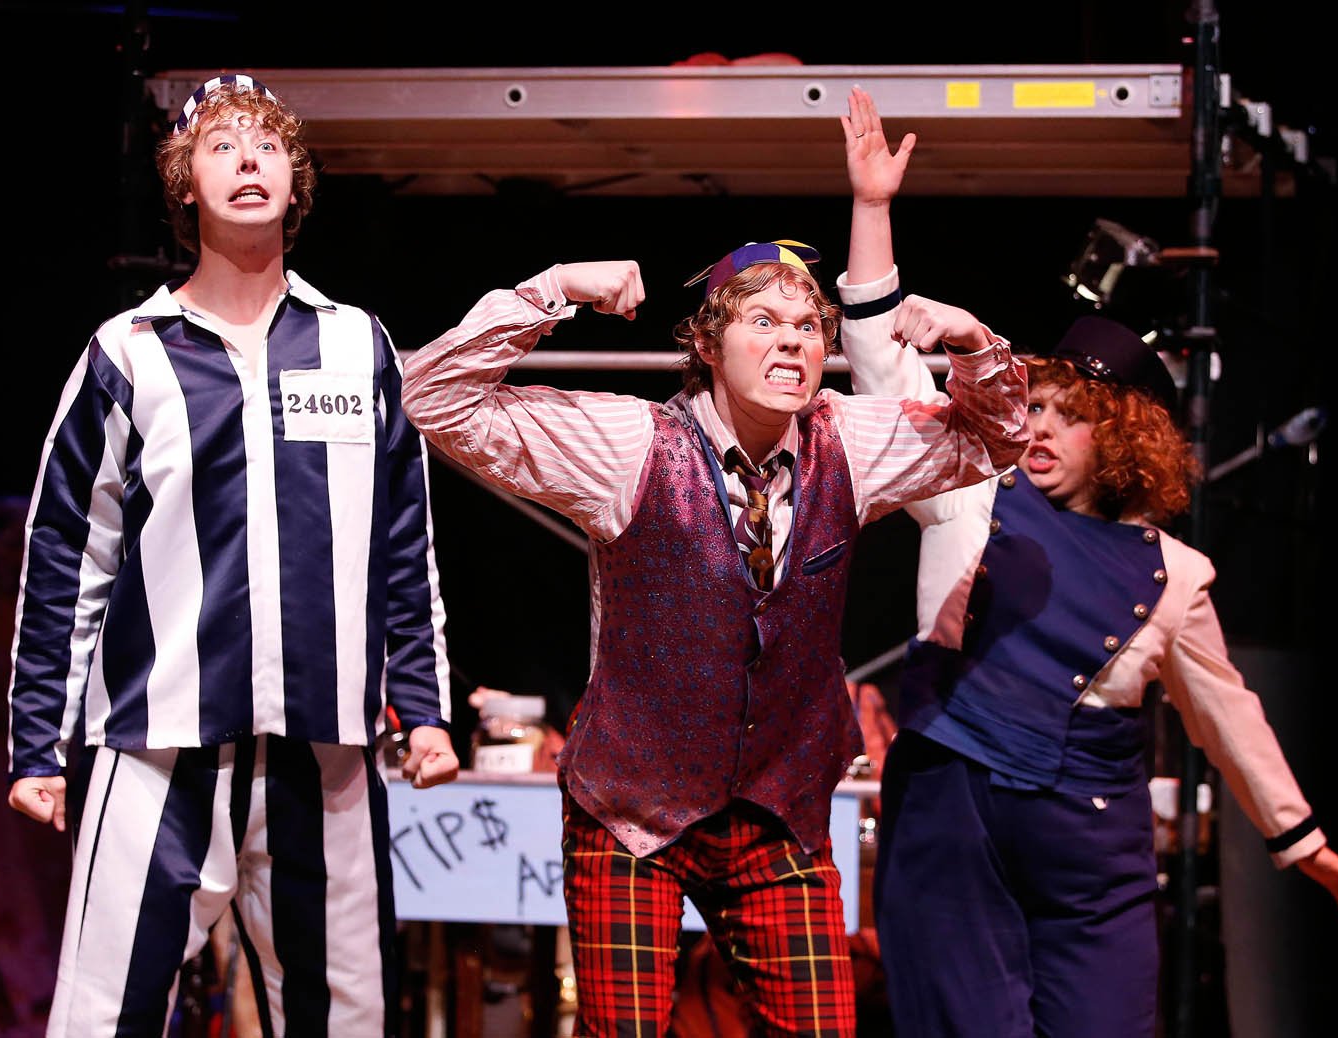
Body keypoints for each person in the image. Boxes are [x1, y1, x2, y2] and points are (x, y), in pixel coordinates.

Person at [398, 135, 1029, 1034]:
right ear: (706, 341)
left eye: (806, 325)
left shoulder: (850, 439)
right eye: (762, 322)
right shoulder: (631, 446)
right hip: (633, 815)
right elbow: (430, 397)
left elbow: (999, 438)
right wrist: (554, 289)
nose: (792, 340)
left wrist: (972, 344)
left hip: (779, 815)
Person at [836, 88, 1338, 1038]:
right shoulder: (972, 486)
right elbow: (881, 363)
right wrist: (872, 208)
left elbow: (1227, 716)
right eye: (1035, 407)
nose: (1039, 428)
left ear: (1121, 442)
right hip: (957, 816)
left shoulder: (1178, 574)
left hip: (1092, 845)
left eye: (1068, 417)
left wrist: (1301, 839)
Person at [5, 74, 459, 1037]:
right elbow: (66, 558)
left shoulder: (356, 345)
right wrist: (38, 742)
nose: (248, 158)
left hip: (324, 753)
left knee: (345, 1021)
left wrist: (422, 710)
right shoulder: (129, 352)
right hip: (156, 749)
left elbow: (401, 544)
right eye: (220, 144)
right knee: (102, 1019)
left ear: (296, 178)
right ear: (184, 185)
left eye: (267, 143)